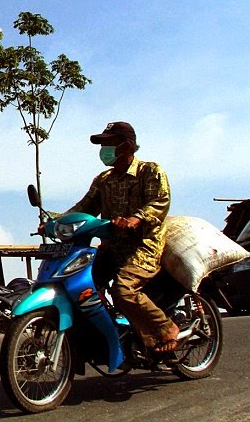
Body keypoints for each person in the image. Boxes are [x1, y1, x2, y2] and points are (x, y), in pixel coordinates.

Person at [62, 121, 179, 353]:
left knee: (123, 291)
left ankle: (165, 328)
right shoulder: (103, 180)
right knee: (76, 285)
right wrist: (57, 221)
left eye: (108, 144)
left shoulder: (150, 171)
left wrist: (136, 219)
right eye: (102, 144)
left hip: (143, 248)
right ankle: (110, 333)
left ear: (126, 146)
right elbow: (84, 207)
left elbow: (159, 202)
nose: (103, 149)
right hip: (111, 249)